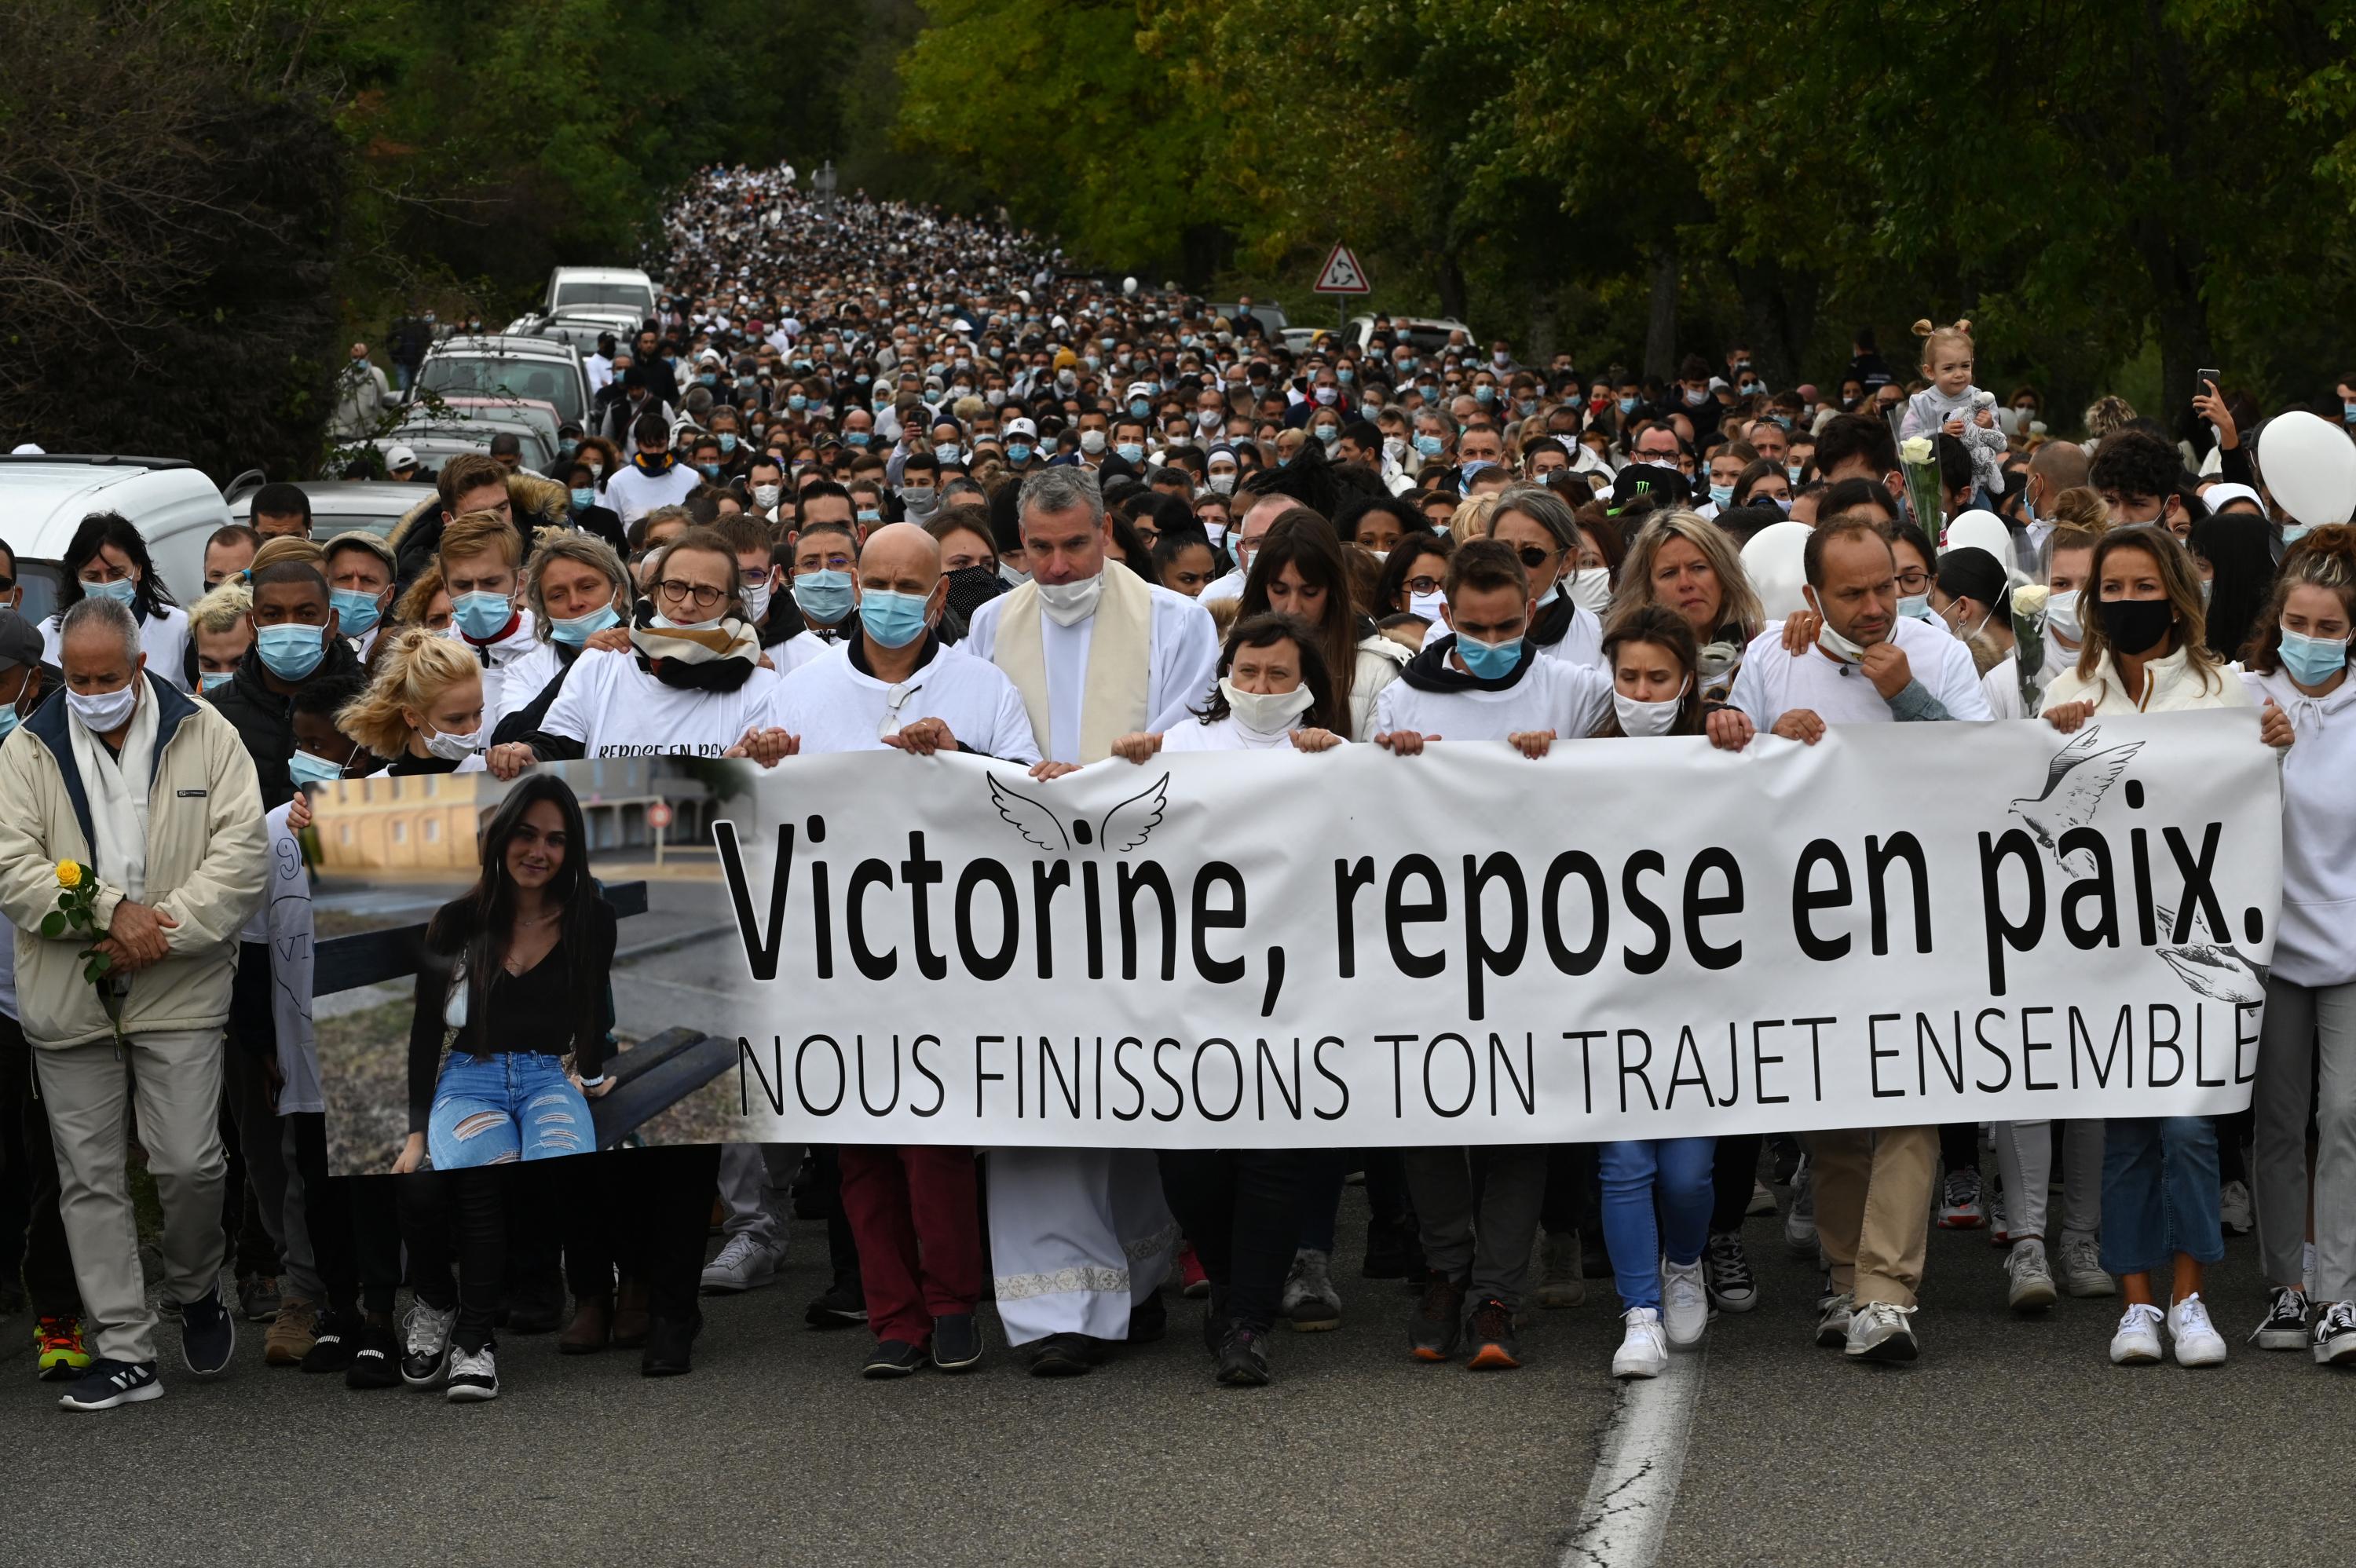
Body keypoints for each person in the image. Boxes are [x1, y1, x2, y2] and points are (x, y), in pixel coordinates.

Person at [766, 524, 1037, 1377]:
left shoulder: (982, 686)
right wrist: (758, 763)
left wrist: (960, 755)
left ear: (936, 595)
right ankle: (894, 1315)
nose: (882, 594)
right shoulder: (799, 689)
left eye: (902, 582)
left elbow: (1028, 799)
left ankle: (953, 1303)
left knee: (935, 1143)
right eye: (868, 575)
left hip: (943, 950)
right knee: (861, 1150)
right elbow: (764, 812)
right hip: (836, 953)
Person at [959, 466, 1213, 1374]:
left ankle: (1135, 1282)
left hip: (1137, 879)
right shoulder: (992, 622)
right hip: (1020, 888)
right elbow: (978, 737)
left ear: (1107, 532)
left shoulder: (1177, 621)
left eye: (1076, 544)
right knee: (1039, 1096)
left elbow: (1188, 737)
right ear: (1017, 547)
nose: (1060, 566)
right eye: (1041, 548)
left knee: (1126, 1089)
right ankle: (1057, 1310)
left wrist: (1100, 785)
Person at [1728, 518, 1992, 1362]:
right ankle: (1843, 1281)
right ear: (1812, 597)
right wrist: (1768, 740)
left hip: (1923, 912)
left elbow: (1988, 767)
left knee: (1914, 1096)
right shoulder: (1774, 655)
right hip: (1813, 919)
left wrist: (1907, 696)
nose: (1878, 605)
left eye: (1889, 585)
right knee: (1834, 1100)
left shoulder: (1937, 652)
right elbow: (1723, 779)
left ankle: (1886, 1289)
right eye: (1854, 593)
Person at [0, 597, 266, 1410]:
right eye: (76, 677)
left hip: (179, 982)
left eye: (106, 676)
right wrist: (107, 911)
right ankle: (122, 1346)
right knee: (89, 1178)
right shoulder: (25, 748)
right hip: (67, 992)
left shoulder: (207, 731)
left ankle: (194, 1285)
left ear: (140, 664)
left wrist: (159, 929)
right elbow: (13, 866)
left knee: (190, 1162)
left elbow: (243, 853)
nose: (90, 690)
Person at [2040, 524, 2292, 1367]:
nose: (2126, 601)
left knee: (2190, 1127)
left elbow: (2260, 797)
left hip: (2200, 949)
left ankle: (2190, 1295)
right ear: (2093, 599)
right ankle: (2135, 1303)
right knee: (2126, 1132)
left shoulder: (2227, 689)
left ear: (2175, 593)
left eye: (2143, 586)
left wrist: (2275, 748)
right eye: (2111, 589)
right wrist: (2055, 733)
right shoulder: (2066, 685)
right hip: (2104, 954)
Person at [1370, 539, 1612, 1370]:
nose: (1490, 639)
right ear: (1446, 615)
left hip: (1538, 937)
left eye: (1508, 624)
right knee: (1431, 1105)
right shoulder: (1401, 698)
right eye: (1473, 626)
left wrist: (1579, 752)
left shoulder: (1576, 690)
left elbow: (1652, 749)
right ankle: (1446, 1268)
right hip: (1430, 935)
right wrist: (1384, 765)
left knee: (1518, 1116)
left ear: (1531, 612)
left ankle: (1497, 1288)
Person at [390, 776, 617, 1402]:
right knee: (476, 1180)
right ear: (501, 837)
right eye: (525, 833)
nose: (538, 850)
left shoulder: (591, 916)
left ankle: (491, 1321)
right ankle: (473, 1340)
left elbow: (594, 1010)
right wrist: (415, 1132)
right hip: (470, 1077)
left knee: (561, 1165)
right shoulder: (459, 921)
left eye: (556, 839)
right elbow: (424, 1031)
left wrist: (591, 1076)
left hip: (547, 1075)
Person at [1585, 606, 1722, 1376]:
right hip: (1612, 999)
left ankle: (1683, 1260)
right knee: (1625, 1161)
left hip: (1701, 1000)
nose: (1641, 689)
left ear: (1687, 681)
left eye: (1657, 677)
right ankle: (1639, 1311)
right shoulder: (1584, 755)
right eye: (1628, 676)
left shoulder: (1720, 747)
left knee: (1686, 1174)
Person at [2237, 527, 2356, 1365]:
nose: (2309, 640)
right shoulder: (2240, 697)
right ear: (2276, 619)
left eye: (2328, 626)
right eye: (2299, 623)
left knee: (2345, 1114)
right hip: (2267, 946)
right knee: (2277, 1120)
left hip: (2352, 948)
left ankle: (2340, 1295)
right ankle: (2287, 1281)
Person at [488, 528, 792, 773]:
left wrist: (750, 765)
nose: (687, 604)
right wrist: (526, 753)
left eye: (706, 592)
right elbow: (556, 745)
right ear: (655, 591)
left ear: (731, 605)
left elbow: (761, 777)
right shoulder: (600, 663)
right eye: (675, 586)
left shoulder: (759, 684)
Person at [0, 612, 89, 1380]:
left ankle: (59, 1314)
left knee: (62, 1165)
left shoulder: (69, 748)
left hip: (56, 990)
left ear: (32, 675)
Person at [207, 557, 368, 810]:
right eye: (273, 615)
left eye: (306, 614)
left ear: (332, 623)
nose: (290, 626)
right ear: (252, 625)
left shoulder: (374, 712)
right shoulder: (212, 715)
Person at [1235, 509, 1406, 740]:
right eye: (1280, 590)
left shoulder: (1377, 669)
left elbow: (1375, 771)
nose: (1293, 608)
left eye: (1310, 592)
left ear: (1333, 591)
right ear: (1262, 587)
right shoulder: (1230, 649)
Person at [1608, 511, 1766, 707]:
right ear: (1649, 589)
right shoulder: (1618, 662)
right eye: (1669, 573)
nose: (1685, 583)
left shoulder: (1766, 645)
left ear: (1723, 576)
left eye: (1698, 568)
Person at [41, 513, 192, 693]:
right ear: (78, 578)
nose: (105, 585)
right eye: (93, 576)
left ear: (138, 570)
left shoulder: (180, 630)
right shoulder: (47, 635)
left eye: (116, 574)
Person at [437, 510, 547, 733]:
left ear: (521, 582)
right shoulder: (433, 661)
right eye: (463, 585)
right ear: (446, 587)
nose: (476, 598)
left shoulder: (548, 654)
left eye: (491, 582)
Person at [1485, 484, 1604, 666]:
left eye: (1532, 554)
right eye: (1502, 552)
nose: (1514, 567)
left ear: (1567, 560)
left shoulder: (1600, 636)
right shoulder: (1450, 634)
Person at [338, 629, 486, 776]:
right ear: (412, 716)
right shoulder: (376, 788)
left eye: (478, 713)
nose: (472, 730)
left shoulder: (494, 773)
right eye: (456, 719)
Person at [1899, 319, 2003, 499]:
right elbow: (1906, 441)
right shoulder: (1922, 402)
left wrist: (1989, 426)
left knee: (1982, 512)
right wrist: (1940, 433)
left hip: (1973, 485)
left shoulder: (1982, 400)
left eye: (1965, 366)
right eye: (1949, 368)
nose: (1958, 374)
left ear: (1972, 363)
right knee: (1904, 511)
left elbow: (2000, 445)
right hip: (1930, 482)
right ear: (1930, 371)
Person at [324, 532, 397, 660]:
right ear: (325, 585)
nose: (355, 589)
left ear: (389, 595)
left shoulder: (407, 655)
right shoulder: (305, 650)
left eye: (368, 580)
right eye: (344, 578)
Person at [186, 582, 255, 696]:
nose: (224, 676)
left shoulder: (290, 712)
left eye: (239, 664)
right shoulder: (187, 713)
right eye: (209, 665)